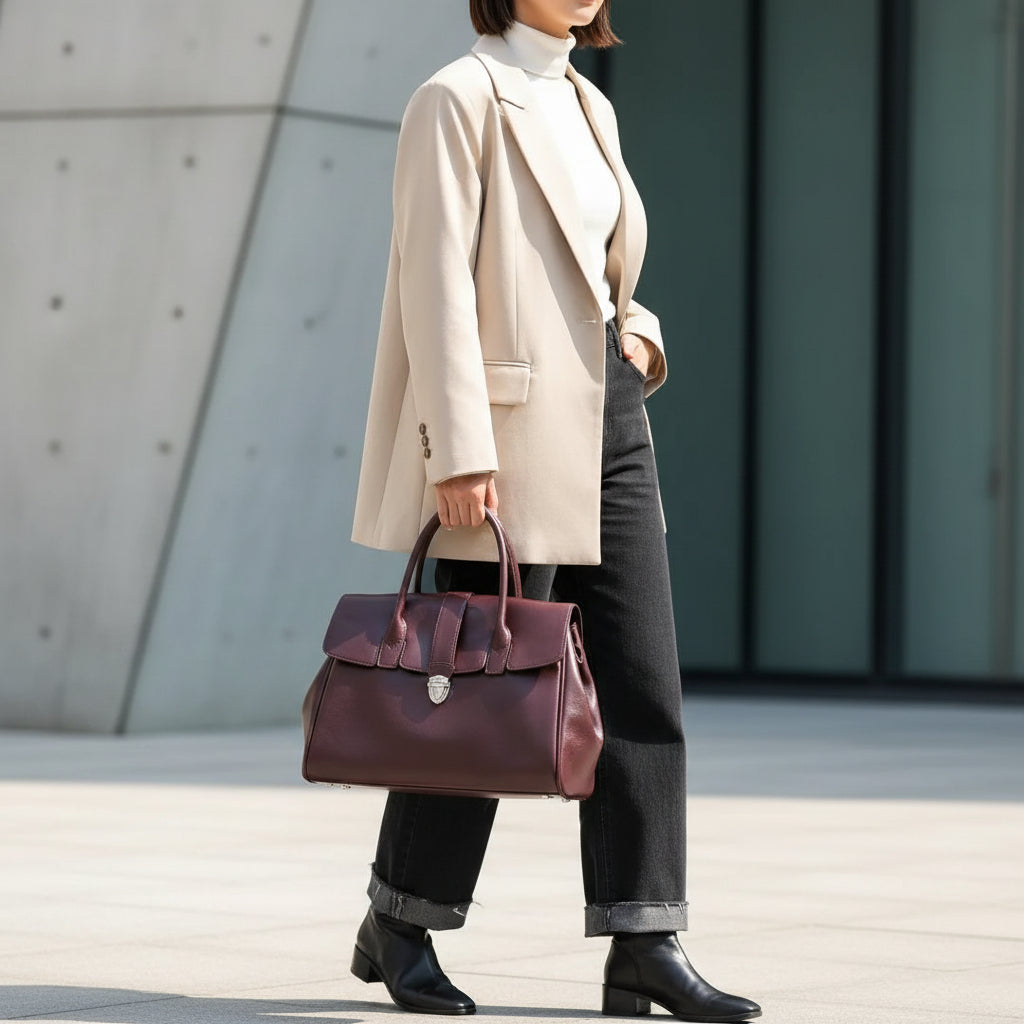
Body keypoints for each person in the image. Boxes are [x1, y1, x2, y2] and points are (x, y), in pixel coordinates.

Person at [349, 1, 761, 1019]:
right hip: (505, 434)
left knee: (641, 679)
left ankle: (643, 939)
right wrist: (458, 447)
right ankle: (401, 919)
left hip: (609, 417)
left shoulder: (585, 100)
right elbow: (433, 280)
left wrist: (638, 332)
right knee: (475, 696)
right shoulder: (457, 98)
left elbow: (598, 264)